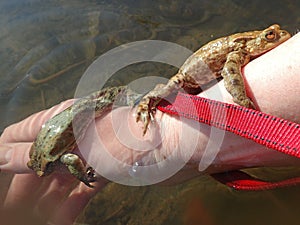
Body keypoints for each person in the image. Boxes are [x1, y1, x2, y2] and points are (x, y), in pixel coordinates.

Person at [0, 32, 299, 225]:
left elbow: (233, 75)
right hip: (188, 78)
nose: (281, 38)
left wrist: (169, 138)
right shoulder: (238, 52)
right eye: (272, 36)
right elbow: (229, 74)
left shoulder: (240, 51)